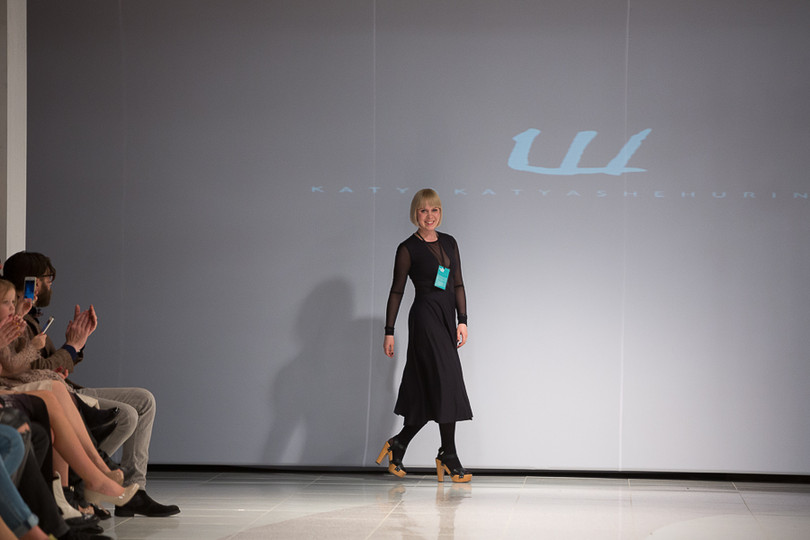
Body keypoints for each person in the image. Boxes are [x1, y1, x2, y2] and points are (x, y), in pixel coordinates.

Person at [2, 253, 179, 517]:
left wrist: (75, 346)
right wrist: (71, 347)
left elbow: (39, 365)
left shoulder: (25, 317)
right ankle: (95, 479)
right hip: (44, 386)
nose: (50, 285)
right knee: (127, 415)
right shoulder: (17, 322)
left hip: (57, 384)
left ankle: (126, 485)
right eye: (48, 279)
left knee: (144, 400)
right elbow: (32, 367)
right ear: (33, 282)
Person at [377, 188, 473, 483]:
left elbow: (458, 283)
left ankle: (400, 443)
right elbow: (396, 291)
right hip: (425, 320)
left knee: (432, 387)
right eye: (423, 210)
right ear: (415, 214)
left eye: (434, 210)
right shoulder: (408, 248)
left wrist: (462, 320)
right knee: (445, 381)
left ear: (440, 212)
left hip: (446, 321)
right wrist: (389, 331)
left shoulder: (450, 242)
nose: (429, 216)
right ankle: (448, 453)